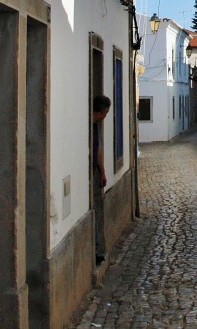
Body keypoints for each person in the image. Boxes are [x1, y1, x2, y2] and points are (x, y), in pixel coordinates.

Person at [92, 94, 111, 265]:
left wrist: (103, 171)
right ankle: (97, 250)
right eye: (106, 113)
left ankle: (97, 250)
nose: (105, 117)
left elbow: (97, 149)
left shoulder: (95, 126)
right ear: (102, 112)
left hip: (93, 174)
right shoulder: (87, 125)